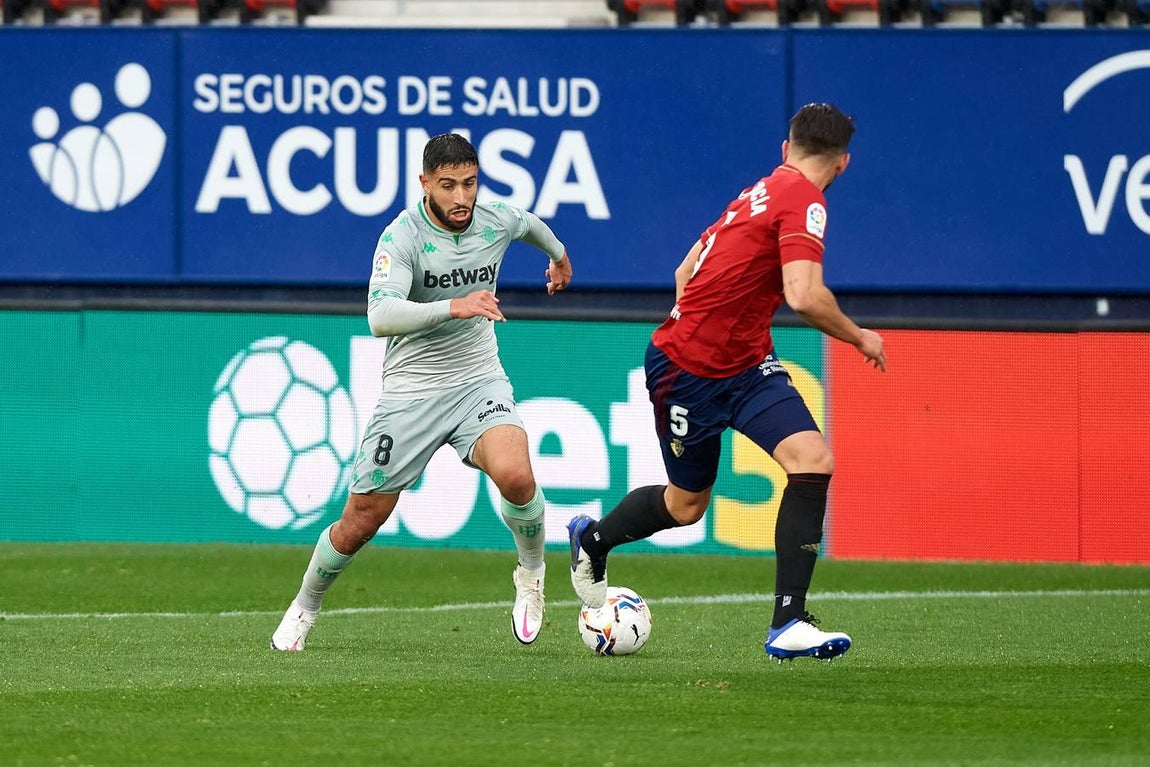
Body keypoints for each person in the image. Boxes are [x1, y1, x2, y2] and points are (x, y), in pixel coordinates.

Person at [566, 103, 885, 663]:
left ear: (786, 149)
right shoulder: (806, 199)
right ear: (843, 164)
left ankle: (788, 622)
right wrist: (859, 337)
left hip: (746, 366)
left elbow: (683, 272)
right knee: (687, 505)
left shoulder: (760, 190)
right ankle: (593, 540)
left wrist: (710, 323)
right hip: (687, 371)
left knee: (811, 459)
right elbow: (804, 295)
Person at [272, 132, 573, 651]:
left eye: (471, 184)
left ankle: (531, 575)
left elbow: (529, 225)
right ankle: (306, 604)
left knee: (517, 474)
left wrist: (559, 256)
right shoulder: (401, 238)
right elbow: (380, 316)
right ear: (426, 184)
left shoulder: (493, 219)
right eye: (449, 185)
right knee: (360, 520)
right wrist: (455, 305)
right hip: (411, 393)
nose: (462, 198)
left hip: (478, 379)